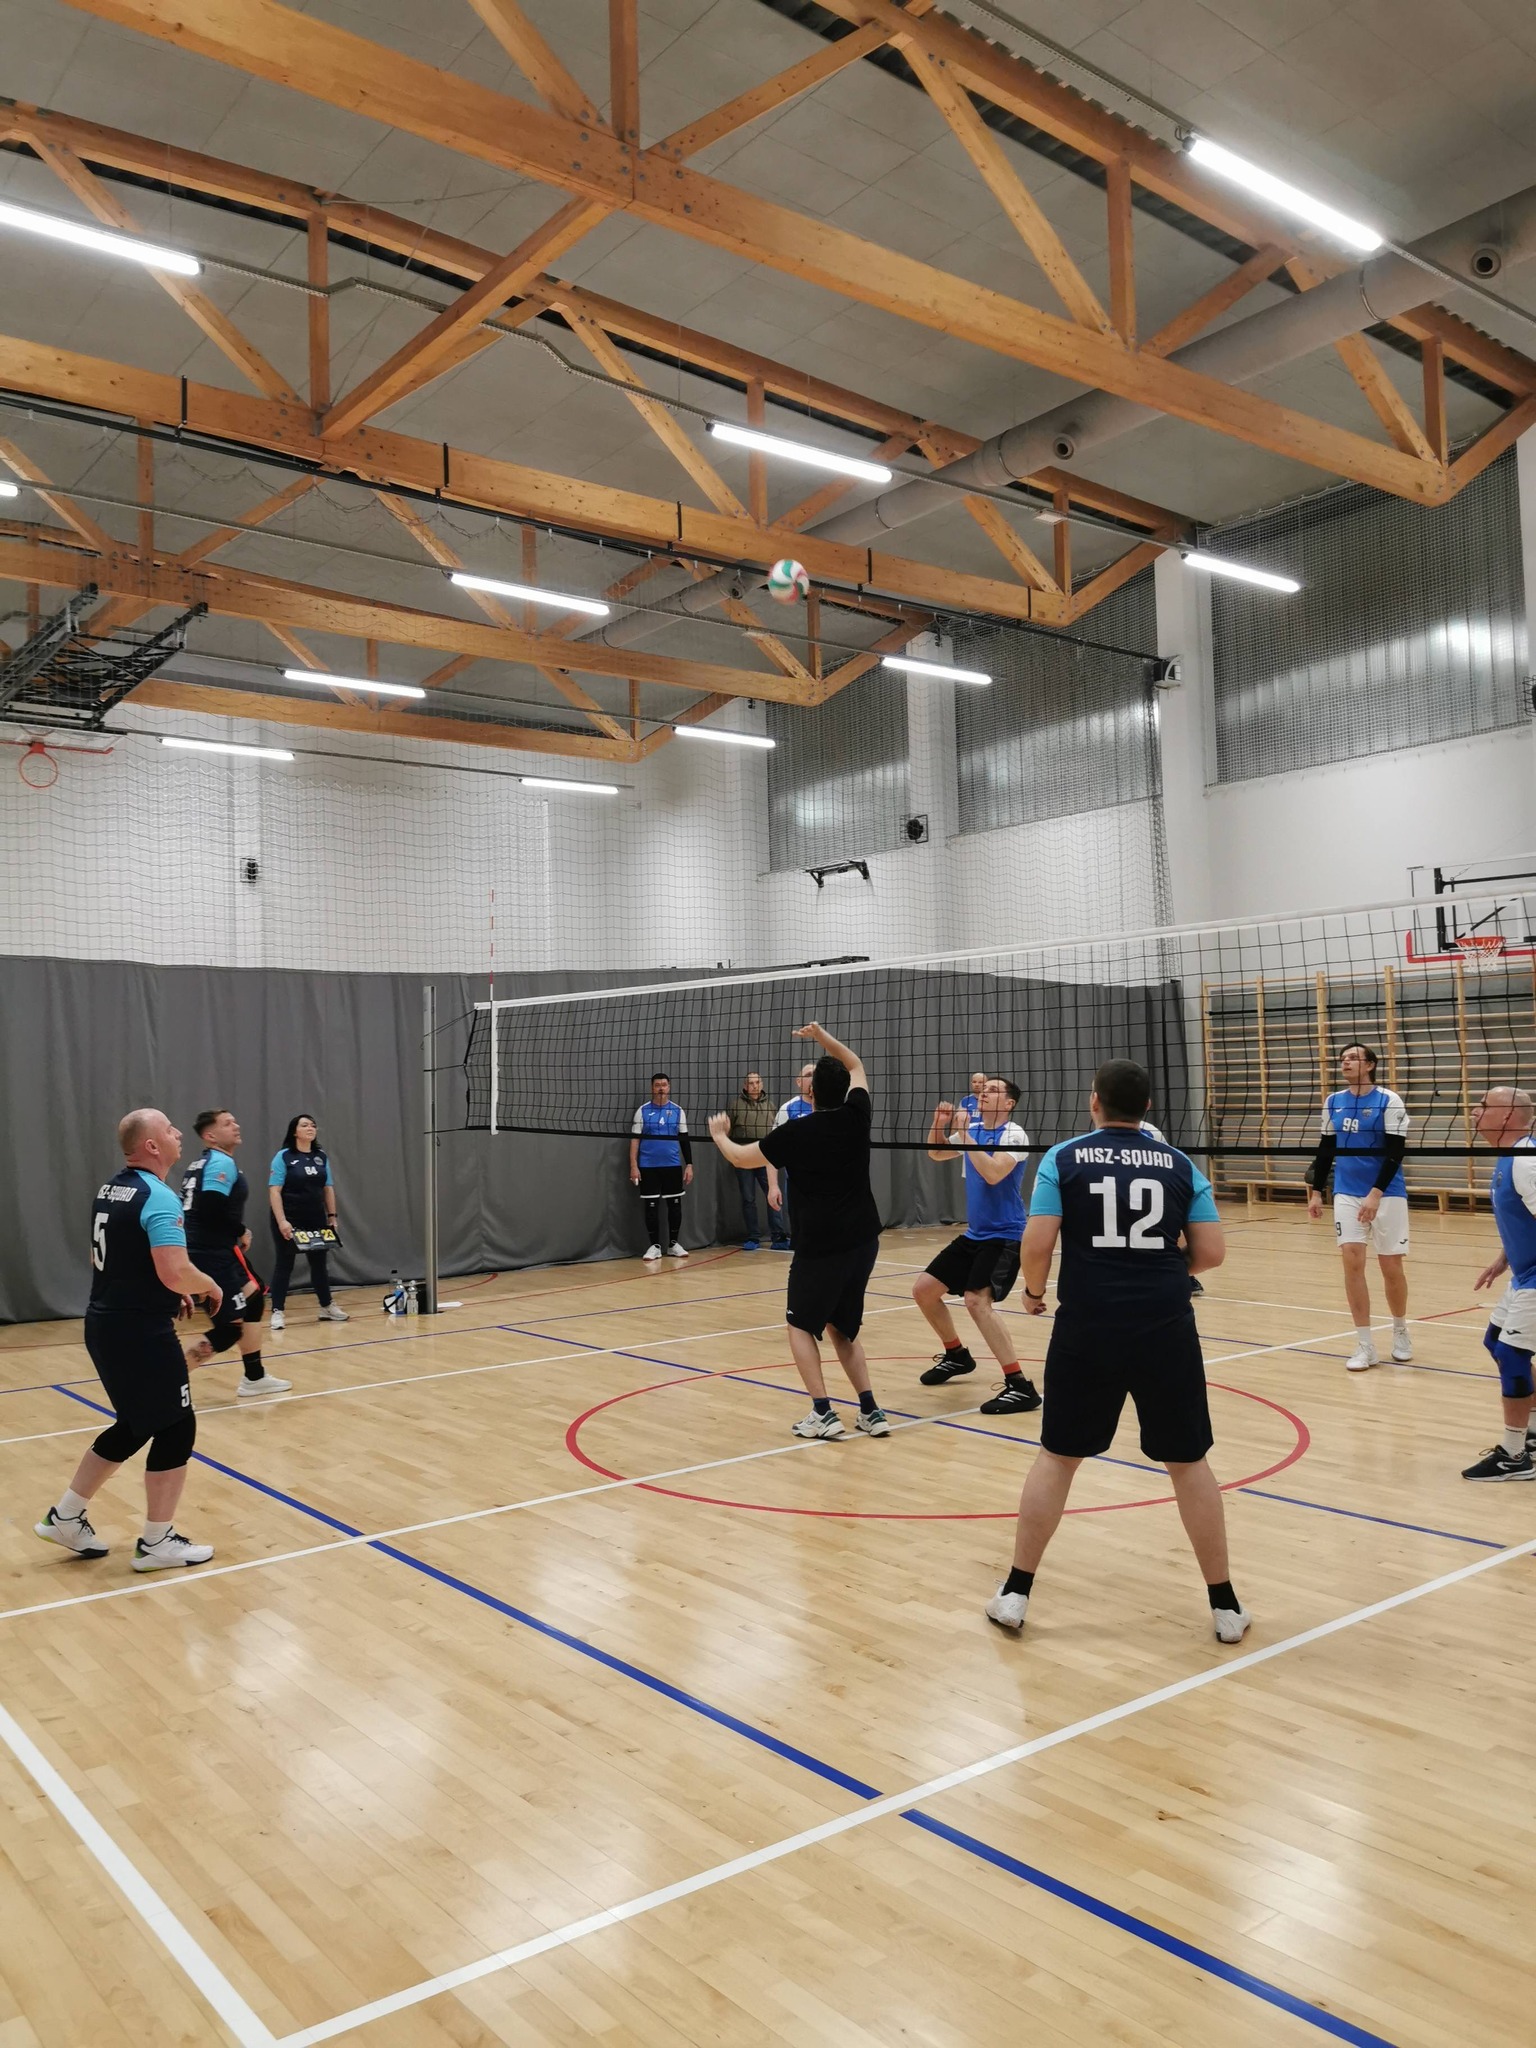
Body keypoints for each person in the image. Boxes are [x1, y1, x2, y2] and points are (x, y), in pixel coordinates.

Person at [985, 1058, 1248, 1643]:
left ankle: (1015, 1594)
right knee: (1188, 1463)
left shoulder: (1063, 1158)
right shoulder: (1179, 1163)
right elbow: (1211, 1252)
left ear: (1094, 1102)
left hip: (1089, 1325)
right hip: (1164, 1326)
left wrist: (1033, 1293)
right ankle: (1225, 1606)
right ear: (1147, 1107)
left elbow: (1038, 1243)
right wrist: (1163, 1269)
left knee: (1058, 1457)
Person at [35, 1109, 218, 1570]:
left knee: (136, 1425)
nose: (178, 1133)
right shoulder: (158, 1196)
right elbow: (175, 1270)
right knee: (176, 1426)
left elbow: (118, 1257)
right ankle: (157, 1542)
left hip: (107, 1325)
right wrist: (208, 1286)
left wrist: (167, 1290)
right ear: (152, 1146)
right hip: (139, 1333)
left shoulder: (112, 1189)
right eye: (169, 1129)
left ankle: (66, 1516)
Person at [710, 1022, 889, 1440]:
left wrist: (719, 1135)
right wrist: (823, 1037)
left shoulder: (795, 1131)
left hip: (820, 1244)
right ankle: (870, 1410)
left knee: (800, 1325)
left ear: (811, 1093)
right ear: (844, 1090)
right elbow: (856, 1064)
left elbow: (740, 1158)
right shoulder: (858, 1114)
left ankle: (823, 1412)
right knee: (842, 1328)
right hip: (864, 1240)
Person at [913, 1078, 1041, 1416]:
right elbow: (936, 1152)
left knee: (976, 1302)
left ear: (1009, 1103)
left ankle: (1020, 1386)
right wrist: (939, 1125)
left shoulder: (1014, 1134)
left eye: (994, 1090)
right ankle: (957, 1355)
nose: (984, 1093)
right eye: (984, 1090)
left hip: (1006, 1235)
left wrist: (965, 1135)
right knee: (924, 1291)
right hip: (975, 1235)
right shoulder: (974, 1130)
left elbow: (994, 1174)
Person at [1305, 1043, 1412, 1372]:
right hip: (1347, 1192)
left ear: (1370, 1065)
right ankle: (1365, 1344)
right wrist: (1316, 1191)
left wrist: (1376, 1193)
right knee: (1352, 1262)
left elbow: (1396, 1152)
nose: (1346, 1062)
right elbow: (1326, 1148)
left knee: (1390, 1266)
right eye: (1343, 1059)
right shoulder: (1333, 1101)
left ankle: (1400, 1329)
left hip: (1387, 1193)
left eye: (1353, 1058)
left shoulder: (1388, 1100)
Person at [182, 1108, 291, 1397]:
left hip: (216, 1249)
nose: (236, 1126)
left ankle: (254, 1376)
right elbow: (211, 1208)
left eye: (234, 1121)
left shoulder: (205, 1162)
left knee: (253, 1300)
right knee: (230, 1329)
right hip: (209, 1254)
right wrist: (241, 1230)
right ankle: (168, 1382)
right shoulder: (220, 1162)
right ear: (210, 1135)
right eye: (227, 1123)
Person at [1462, 1086, 1536, 1481]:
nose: (1475, 1111)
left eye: (1484, 1105)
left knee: (1511, 1354)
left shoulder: (1525, 1161)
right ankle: (1532, 1432)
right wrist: (1504, 1258)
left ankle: (1514, 1455)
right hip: (1524, 1273)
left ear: (1507, 1115)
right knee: (1495, 1342)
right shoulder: (1511, 1156)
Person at [268, 1113, 348, 1330]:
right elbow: (274, 1191)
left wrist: (332, 1216)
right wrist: (282, 1221)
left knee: (319, 1264)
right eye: (304, 1125)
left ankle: (326, 1306)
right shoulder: (284, 1157)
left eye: (313, 1125)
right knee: (285, 1264)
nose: (310, 1128)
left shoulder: (321, 1157)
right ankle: (277, 1311)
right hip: (289, 1218)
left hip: (315, 1217)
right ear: (295, 1132)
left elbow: (327, 1188)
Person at [629, 1073, 692, 1262]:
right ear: (652, 1088)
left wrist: (689, 1164)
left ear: (669, 1087)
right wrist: (633, 1165)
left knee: (675, 1206)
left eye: (664, 1085)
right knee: (651, 1207)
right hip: (648, 1166)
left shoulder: (678, 1111)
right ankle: (654, 1246)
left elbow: (684, 1139)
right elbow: (635, 1140)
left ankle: (673, 1244)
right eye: (657, 1085)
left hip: (672, 1165)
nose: (661, 1088)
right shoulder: (642, 1111)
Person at [725, 1073, 788, 1251]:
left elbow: (776, 1132)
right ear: (745, 1086)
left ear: (762, 1084)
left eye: (757, 1082)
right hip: (744, 1159)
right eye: (751, 1083)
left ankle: (778, 1236)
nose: (754, 1086)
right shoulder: (736, 1106)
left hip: (765, 1158)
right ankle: (753, 1237)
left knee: (773, 1195)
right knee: (748, 1199)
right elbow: (727, 1131)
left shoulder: (770, 1106)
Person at [770, 1061, 816, 1249]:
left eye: (816, 1074)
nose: (813, 1078)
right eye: (809, 1075)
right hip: (798, 1185)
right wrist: (773, 1186)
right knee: (802, 1239)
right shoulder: (788, 1109)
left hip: (827, 1184)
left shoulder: (833, 1107)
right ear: (799, 1082)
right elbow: (771, 1150)